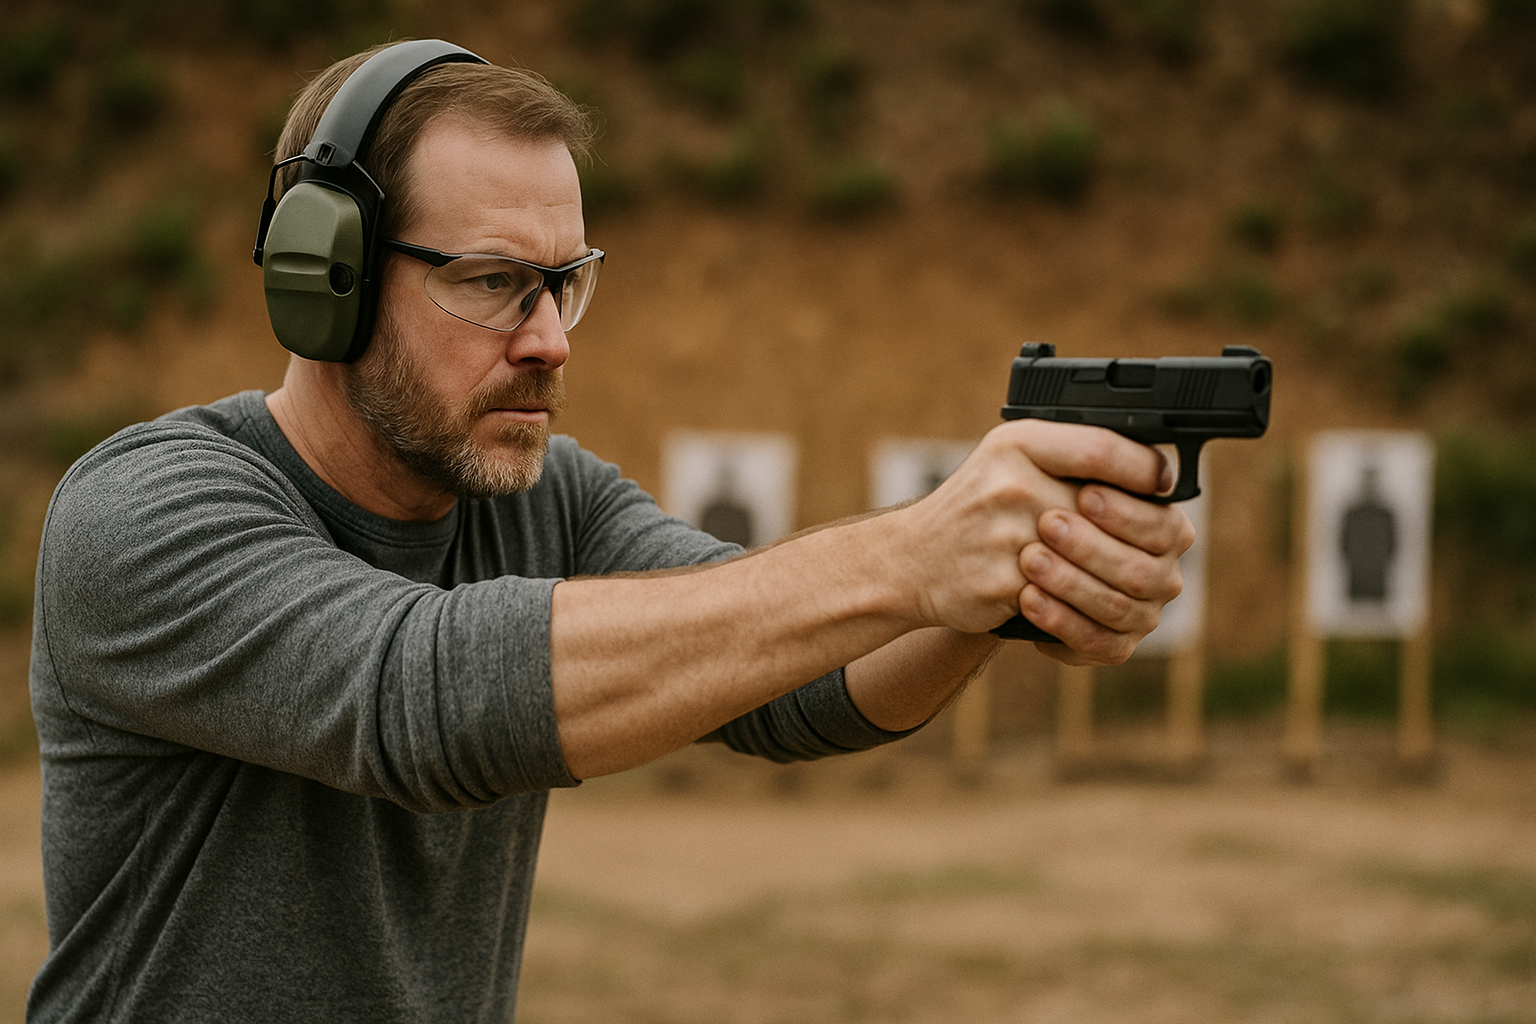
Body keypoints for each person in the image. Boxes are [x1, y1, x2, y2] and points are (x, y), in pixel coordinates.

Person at [27, 40, 1193, 1023]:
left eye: (564, 281)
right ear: (320, 275)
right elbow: (422, 702)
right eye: (491, 281)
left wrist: (991, 588)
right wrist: (912, 553)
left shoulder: (542, 495)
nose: (549, 339)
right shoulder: (142, 512)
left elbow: (794, 689)